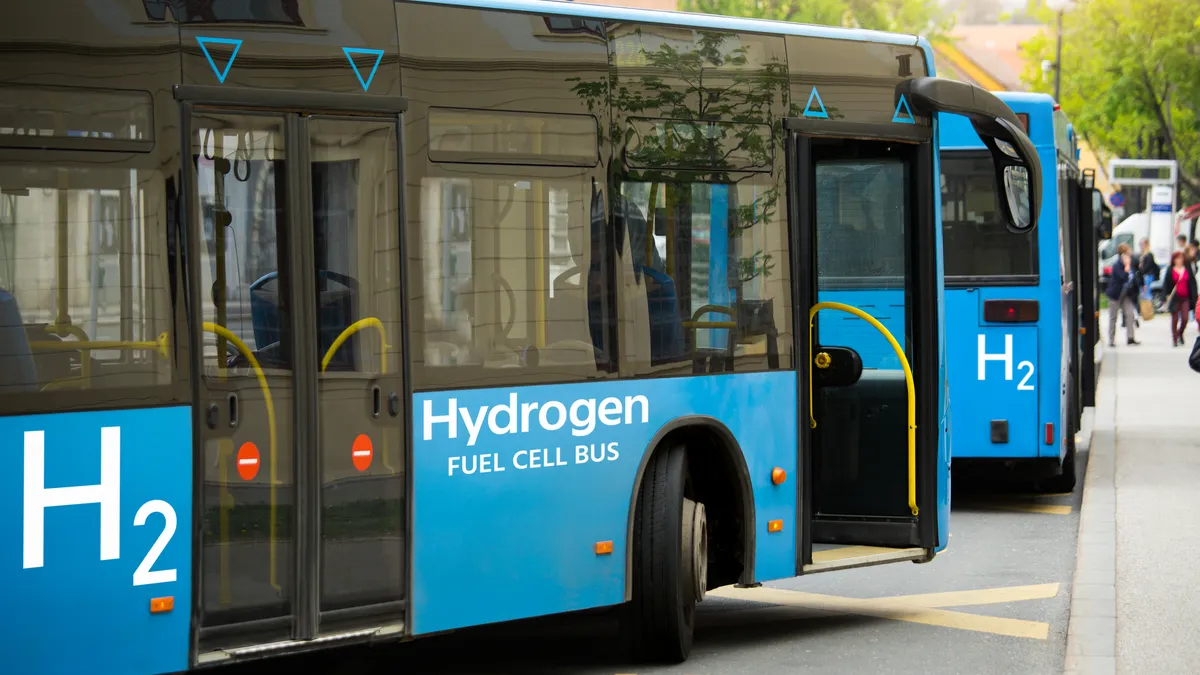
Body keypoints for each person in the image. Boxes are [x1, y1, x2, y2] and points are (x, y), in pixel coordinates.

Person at [1106, 243, 1140, 346]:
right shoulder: (1117, 265)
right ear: (1122, 255)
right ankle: (1111, 340)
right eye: (1127, 254)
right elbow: (1122, 277)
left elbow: (1134, 278)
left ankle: (1130, 337)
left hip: (1126, 294)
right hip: (1115, 294)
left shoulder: (1130, 265)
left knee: (1130, 314)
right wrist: (1126, 267)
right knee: (1113, 317)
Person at [1163, 250, 1197, 346]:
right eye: (1177, 258)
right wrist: (1164, 297)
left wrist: (1194, 296)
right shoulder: (1170, 269)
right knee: (1175, 318)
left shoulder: (1187, 269)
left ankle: (1180, 333)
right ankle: (1174, 339)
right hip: (1174, 297)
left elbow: (1192, 283)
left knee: (1185, 318)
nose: (1179, 260)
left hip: (1185, 297)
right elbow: (1166, 284)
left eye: (1181, 258)